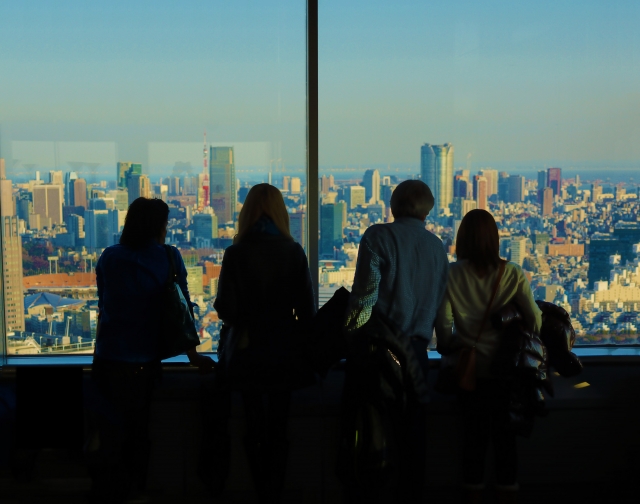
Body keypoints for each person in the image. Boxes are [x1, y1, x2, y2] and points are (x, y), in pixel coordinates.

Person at [90, 197, 213, 503]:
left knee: (108, 435)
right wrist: (194, 355)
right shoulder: (168, 257)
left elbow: (105, 305)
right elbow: (182, 309)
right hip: (143, 362)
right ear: (159, 226)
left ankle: (108, 493)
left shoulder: (109, 257)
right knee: (138, 434)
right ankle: (135, 491)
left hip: (107, 360)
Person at [344, 180, 449, 503]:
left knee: (373, 435)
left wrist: (348, 334)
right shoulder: (436, 247)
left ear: (393, 205)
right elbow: (443, 311)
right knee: (413, 440)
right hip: (417, 354)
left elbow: (364, 299)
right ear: (427, 209)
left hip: (378, 352)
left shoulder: (379, 237)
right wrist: (447, 346)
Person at [214, 183, 315, 504]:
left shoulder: (236, 253)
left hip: (247, 350)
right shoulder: (293, 251)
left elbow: (225, 308)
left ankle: (260, 489)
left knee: (253, 425)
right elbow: (308, 311)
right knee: (280, 427)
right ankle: (276, 489)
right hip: (284, 350)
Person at [435, 209, 542, 504]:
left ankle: (472, 495)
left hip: (470, 372)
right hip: (506, 371)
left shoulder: (451, 274)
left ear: (462, 239)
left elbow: (443, 324)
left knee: (473, 440)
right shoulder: (513, 273)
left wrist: (449, 345)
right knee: (506, 440)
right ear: (495, 239)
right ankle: (507, 494)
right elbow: (535, 320)